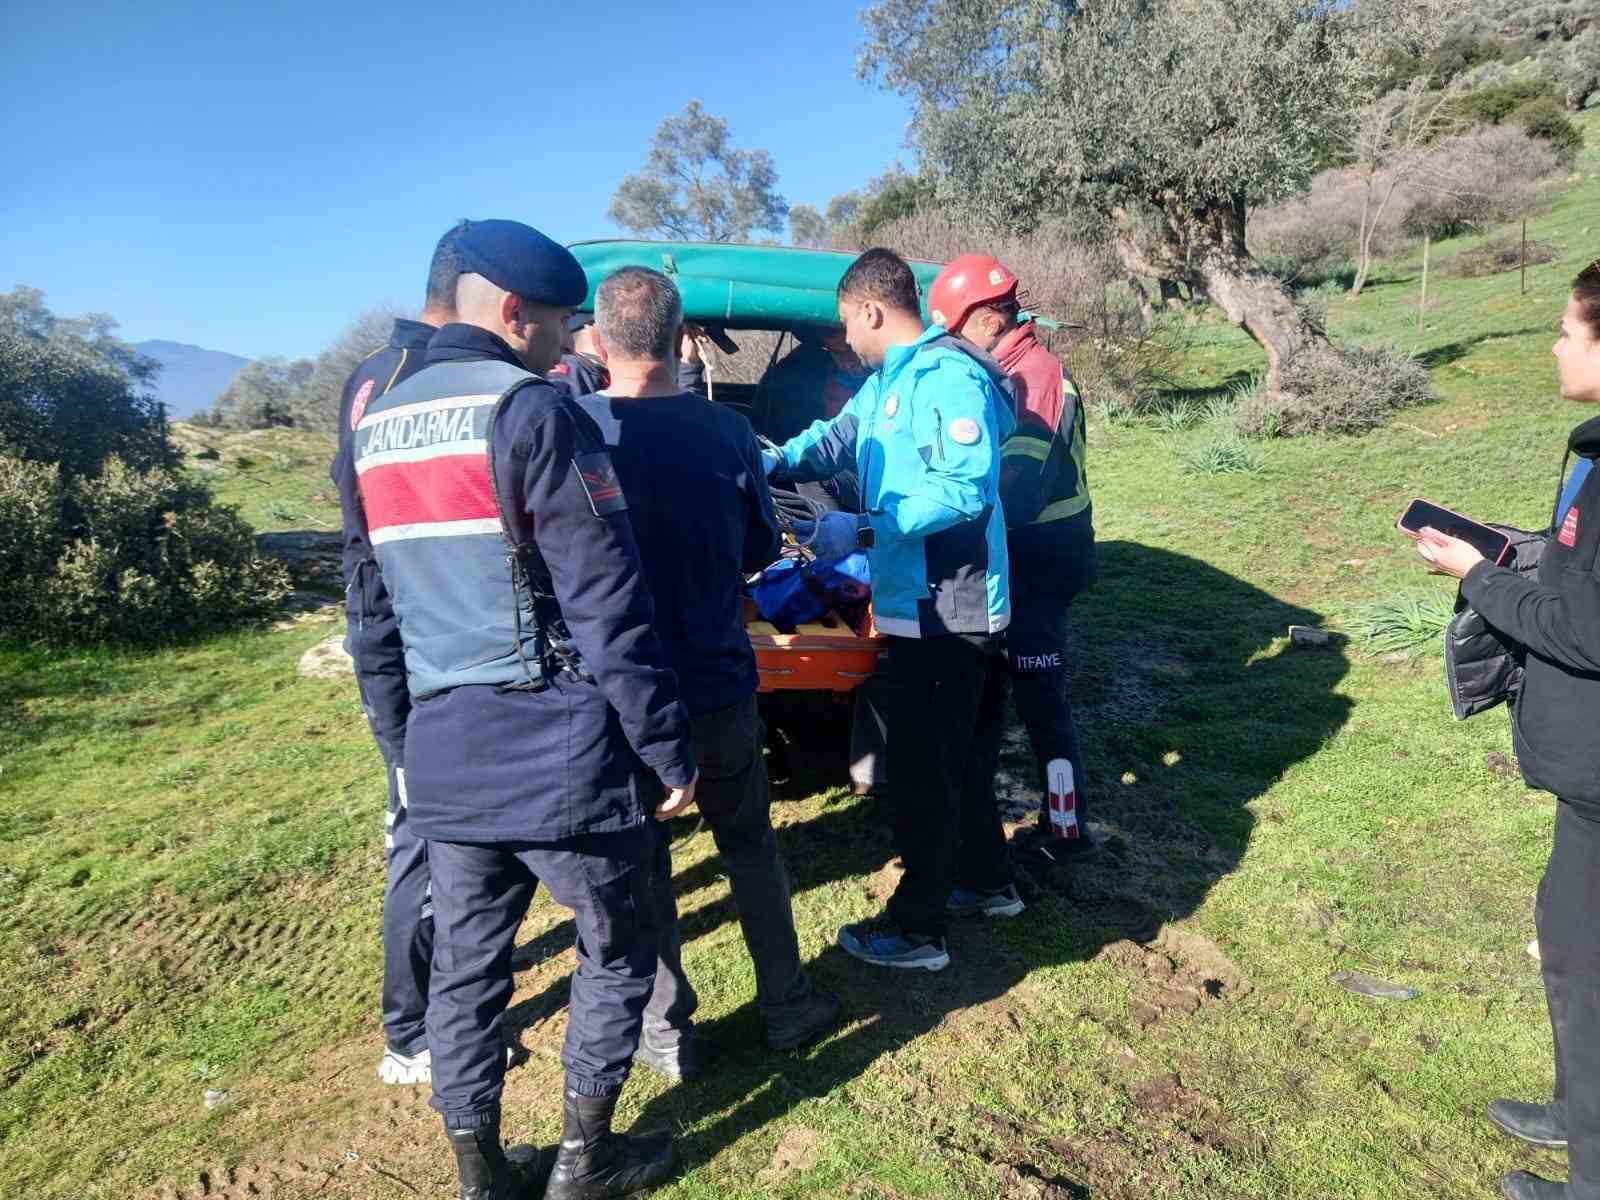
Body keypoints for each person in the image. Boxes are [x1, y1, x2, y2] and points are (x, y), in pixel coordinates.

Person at [338, 218, 699, 1200]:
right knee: (618, 948)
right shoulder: (532, 413)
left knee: (465, 974)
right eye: (556, 321)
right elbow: (606, 601)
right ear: (513, 313)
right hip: (561, 748)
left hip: (445, 751)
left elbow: (370, 613)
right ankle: (586, 1159)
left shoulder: (376, 423)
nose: (566, 339)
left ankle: (481, 1175)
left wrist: (402, 747)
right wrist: (666, 748)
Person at [577, 265, 842, 1079]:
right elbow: (763, 548)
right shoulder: (725, 434)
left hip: (618, 695)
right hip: (718, 677)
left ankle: (667, 1031)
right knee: (751, 846)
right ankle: (788, 1004)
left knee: (646, 863)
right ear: (676, 334)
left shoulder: (572, 431)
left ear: (597, 338)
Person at [765, 247, 1016, 971]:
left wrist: (865, 528)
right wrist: (776, 460)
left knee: (924, 769)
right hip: (918, 599)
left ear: (872, 310)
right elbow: (838, 438)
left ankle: (918, 929)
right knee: (962, 759)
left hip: (950, 606)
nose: (847, 338)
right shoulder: (891, 381)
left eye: (849, 323)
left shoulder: (946, 377)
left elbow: (964, 490)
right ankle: (989, 882)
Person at [1411, 259, 1600, 1200]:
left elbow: (1587, 626)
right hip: (1586, 776)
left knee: (1589, 959)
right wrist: (1515, 551)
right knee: (1569, 940)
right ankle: (1580, 1115)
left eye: (1570, 329)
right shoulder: (1594, 454)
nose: (1556, 343)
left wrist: (1478, 580)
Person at [330, 224, 460, 1085]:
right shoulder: (423, 379)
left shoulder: (372, 370)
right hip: (403, 627)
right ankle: (408, 1031)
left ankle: (440, 981)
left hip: (392, 619)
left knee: (426, 819)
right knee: (416, 826)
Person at [928, 254, 1098, 882]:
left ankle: (1066, 828)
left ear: (982, 318)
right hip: (1024, 556)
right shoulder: (1006, 370)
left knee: (1040, 696)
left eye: (953, 329)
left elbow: (1019, 488)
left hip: (1042, 559)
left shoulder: (1036, 376)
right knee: (1012, 690)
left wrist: (945, 509)